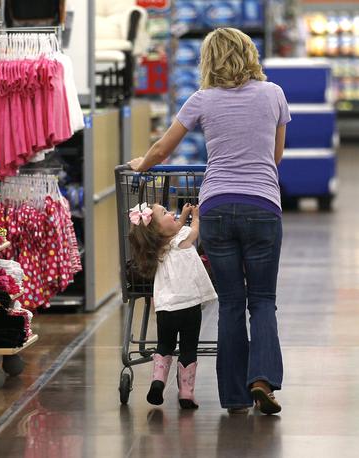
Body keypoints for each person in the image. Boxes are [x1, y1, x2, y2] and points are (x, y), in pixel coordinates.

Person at [129, 27, 290, 415]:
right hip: (262, 206)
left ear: (209, 60)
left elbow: (163, 148)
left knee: (232, 302)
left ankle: (234, 397)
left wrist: (142, 165)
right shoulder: (274, 95)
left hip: (216, 207)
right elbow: (276, 156)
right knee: (263, 301)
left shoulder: (202, 100)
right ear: (249, 54)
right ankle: (262, 379)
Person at [127, 202, 218, 409]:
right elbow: (195, 231)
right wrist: (193, 216)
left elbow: (173, 228)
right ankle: (186, 393)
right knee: (188, 348)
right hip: (190, 306)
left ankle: (158, 382)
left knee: (164, 345)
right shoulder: (182, 238)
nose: (172, 213)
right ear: (158, 229)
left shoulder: (154, 249)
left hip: (165, 309)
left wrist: (181, 216)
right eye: (165, 213)